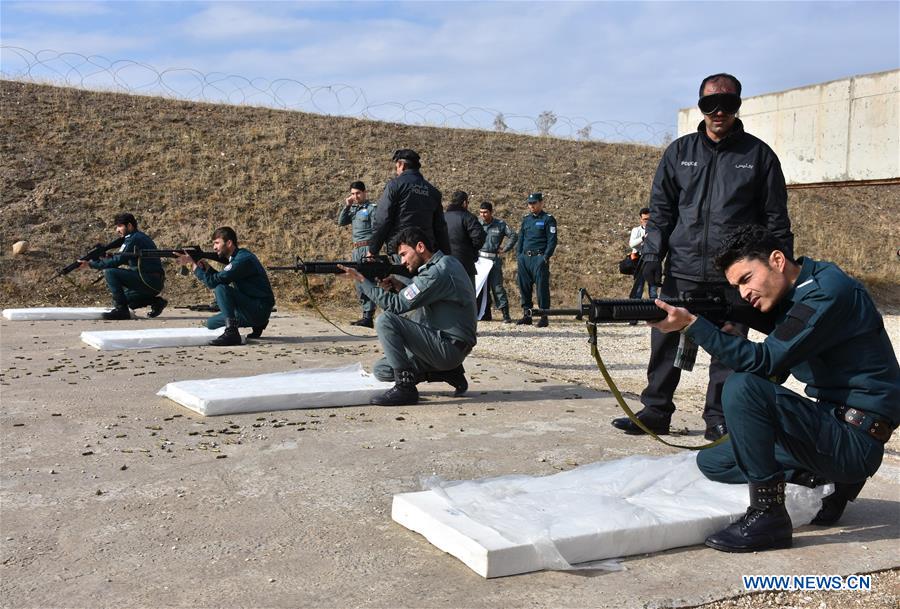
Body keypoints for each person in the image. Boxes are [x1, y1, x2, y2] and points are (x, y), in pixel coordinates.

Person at [649, 224, 899, 552]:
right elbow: (776, 374)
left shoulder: (827, 291)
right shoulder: (797, 297)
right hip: (829, 422)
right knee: (714, 463)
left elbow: (766, 363)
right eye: (736, 287)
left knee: (742, 386)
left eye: (746, 279)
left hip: (856, 437)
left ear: (777, 260)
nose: (743, 293)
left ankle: (769, 515)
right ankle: (827, 483)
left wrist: (697, 328)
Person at [614, 73, 793, 442]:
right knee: (665, 341)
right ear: (700, 105)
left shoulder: (758, 156)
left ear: (738, 105)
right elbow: (661, 212)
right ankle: (655, 411)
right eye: (710, 104)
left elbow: (776, 220)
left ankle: (719, 419)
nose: (718, 112)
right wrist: (651, 255)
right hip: (681, 270)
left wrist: (781, 270)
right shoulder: (679, 153)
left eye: (727, 104)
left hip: (735, 277)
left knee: (729, 346)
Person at [338, 226, 476, 406]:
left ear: (420, 247)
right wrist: (399, 286)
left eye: (404, 254)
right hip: (447, 346)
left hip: (447, 348)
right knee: (382, 370)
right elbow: (420, 297)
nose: (402, 261)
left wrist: (362, 281)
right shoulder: (447, 263)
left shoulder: (436, 273)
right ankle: (445, 372)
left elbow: (395, 305)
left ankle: (405, 389)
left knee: (385, 320)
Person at [176, 227, 275, 346]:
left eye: (217, 243)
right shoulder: (238, 257)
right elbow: (219, 277)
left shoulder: (242, 260)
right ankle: (257, 324)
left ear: (229, 243)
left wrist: (194, 266)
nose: (214, 247)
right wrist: (206, 267)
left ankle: (232, 333)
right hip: (251, 306)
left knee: (221, 289)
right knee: (210, 324)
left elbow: (214, 283)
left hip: (258, 309)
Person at [79, 212, 167, 320]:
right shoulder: (139, 237)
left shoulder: (133, 238)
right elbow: (132, 260)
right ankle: (156, 302)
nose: (117, 230)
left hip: (147, 279)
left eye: (120, 226)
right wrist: (108, 258)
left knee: (110, 272)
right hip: (153, 282)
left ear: (129, 226)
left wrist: (91, 264)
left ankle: (121, 311)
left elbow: (117, 261)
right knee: (122, 299)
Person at [368, 149, 450, 258]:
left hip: (402, 249)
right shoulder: (433, 192)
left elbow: (383, 219)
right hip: (426, 252)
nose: (396, 171)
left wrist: (373, 250)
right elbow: (440, 228)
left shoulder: (395, 186)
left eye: (396, 167)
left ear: (401, 165)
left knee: (399, 275)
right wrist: (446, 255)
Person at [338, 180, 378, 328]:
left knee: (367, 280)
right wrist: (347, 205)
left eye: (358, 193)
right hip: (356, 250)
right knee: (358, 282)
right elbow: (341, 222)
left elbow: (376, 230)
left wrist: (372, 251)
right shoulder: (353, 209)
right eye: (353, 194)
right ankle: (365, 316)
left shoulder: (372, 208)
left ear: (364, 192)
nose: (355, 196)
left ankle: (369, 315)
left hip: (367, 248)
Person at [515, 192, 557, 327]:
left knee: (541, 288)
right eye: (530, 203)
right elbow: (521, 238)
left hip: (539, 258)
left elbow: (552, 241)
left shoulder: (548, 219)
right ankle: (527, 315)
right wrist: (519, 256)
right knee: (524, 287)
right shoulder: (526, 219)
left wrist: (545, 257)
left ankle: (544, 317)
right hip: (525, 258)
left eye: (534, 203)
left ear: (541, 203)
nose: (531, 206)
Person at [478, 201, 518, 323]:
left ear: (491, 212)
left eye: (485, 212)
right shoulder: (477, 223)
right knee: (480, 288)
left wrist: (505, 248)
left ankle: (505, 314)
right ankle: (484, 313)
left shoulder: (500, 224)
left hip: (493, 260)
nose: (483, 215)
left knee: (497, 287)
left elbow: (513, 235)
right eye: (481, 212)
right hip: (479, 259)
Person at [443, 190, 486, 286]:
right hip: (464, 265)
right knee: (468, 296)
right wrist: (472, 251)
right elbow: (479, 237)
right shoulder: (468, 217)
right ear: (464, 203)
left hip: (444, 265)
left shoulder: (442, 217)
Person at [628, 207, 657, 300]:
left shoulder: (655, 231)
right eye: (645, 219)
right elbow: (632, 244)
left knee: (653, 287)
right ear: (641, 220)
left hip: (652, 259)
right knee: (639, 285)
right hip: (639, 260)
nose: (647, 222)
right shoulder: (636, 230)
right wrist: (643, 238)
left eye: (649, 219)